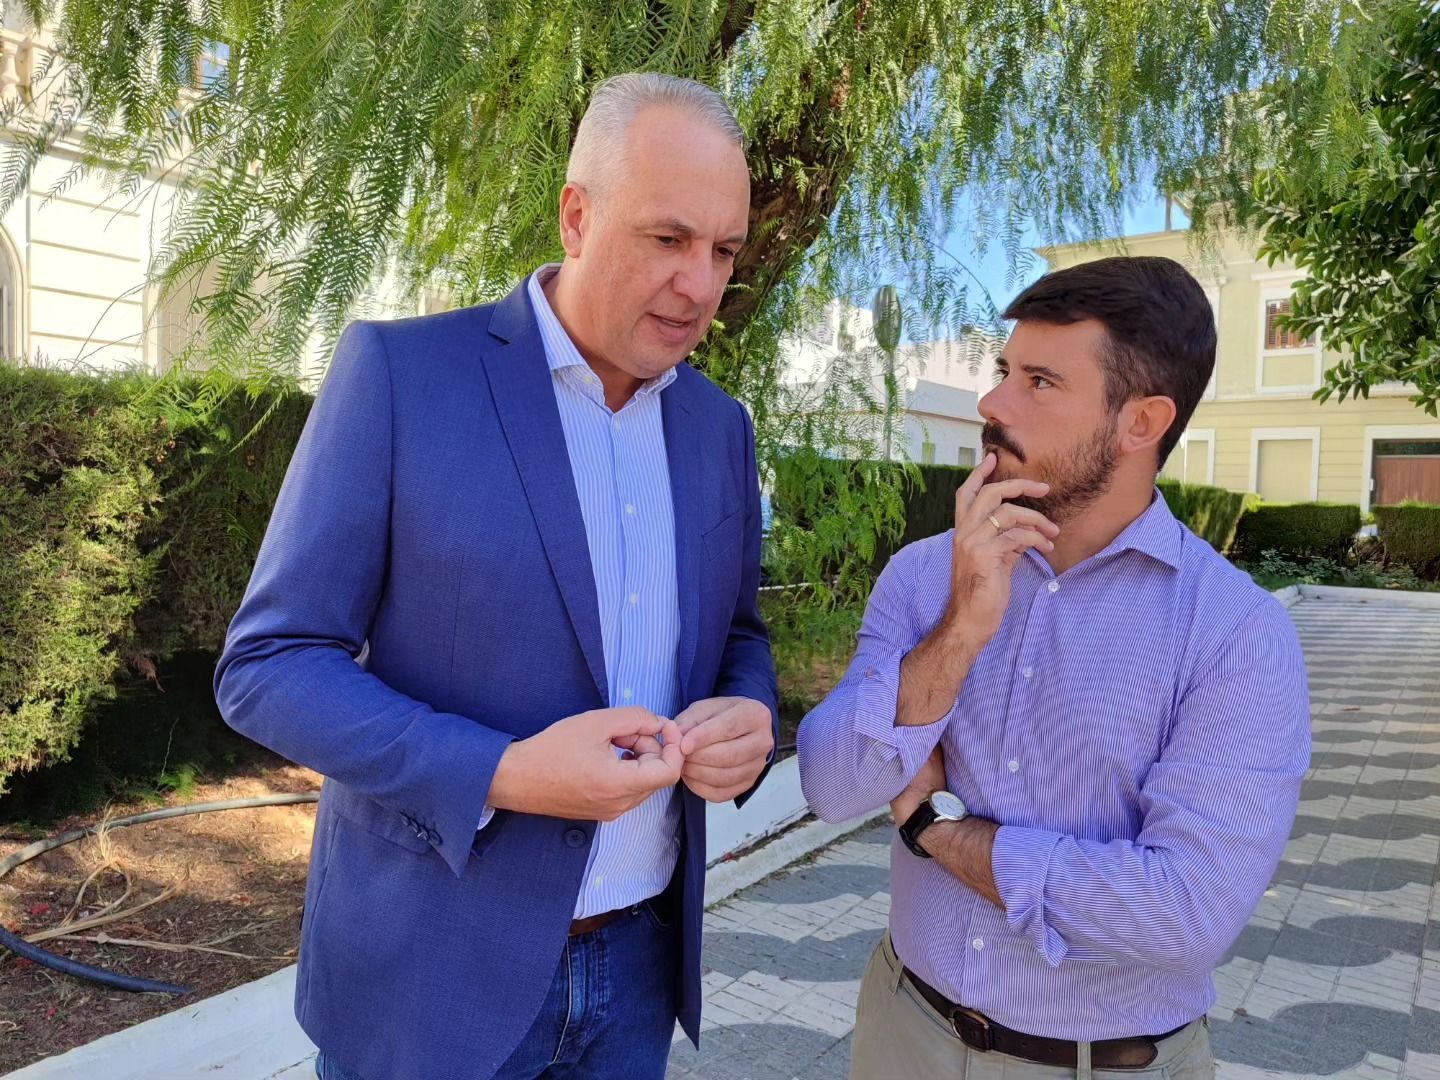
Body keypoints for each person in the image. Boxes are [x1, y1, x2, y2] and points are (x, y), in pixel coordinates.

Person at [215, 73, 778, 1080]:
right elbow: (269, 664)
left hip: (640, 973)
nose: (700, 285)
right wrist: (503, 773)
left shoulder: (719, 428)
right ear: (577, 215)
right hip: (431, 975)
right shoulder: (402, 376)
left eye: (724, 251)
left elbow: (738, 635)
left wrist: (750, 711)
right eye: (668, 238)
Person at [797, 256, 1310, 1079]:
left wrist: (938, 830)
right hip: (904, 1032)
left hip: (1104, 1064)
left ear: (1141, 422)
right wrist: (959, 633)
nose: (992, 404)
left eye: (1039, 382)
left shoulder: (1234, 635)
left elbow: (1184, 912)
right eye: (1005, 371)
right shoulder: (926, 576)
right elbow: (831, 785)